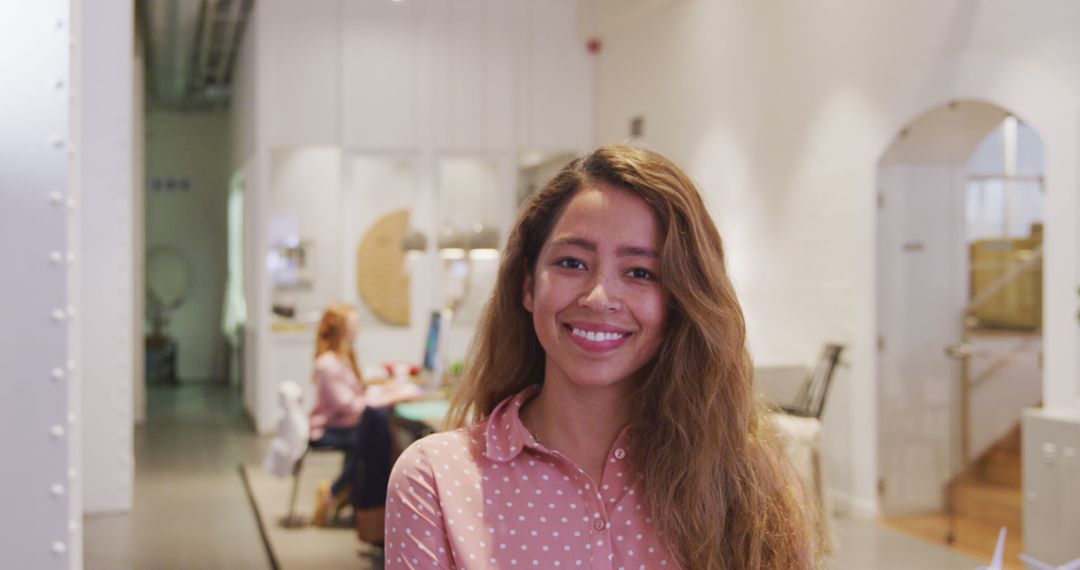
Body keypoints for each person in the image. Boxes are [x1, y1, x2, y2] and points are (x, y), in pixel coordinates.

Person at [384, 145, 818, 569]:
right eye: (572, 263)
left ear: (679, 303)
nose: (599, 297)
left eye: (641, 273)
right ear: (528, 286)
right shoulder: (435, 481)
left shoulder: (748, 483)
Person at [308, 304, 400, 532]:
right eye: (354, 324)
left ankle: (338, 492)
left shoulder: (343, 358)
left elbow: (354, 398)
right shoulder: (327, 364)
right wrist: (384, 397)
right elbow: (347, 405)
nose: (358, 329)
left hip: (346, 424)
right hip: (330, 428)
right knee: (371, 439)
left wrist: (382, 393)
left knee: (371, 433)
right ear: (342, 330)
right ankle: (335, 492)